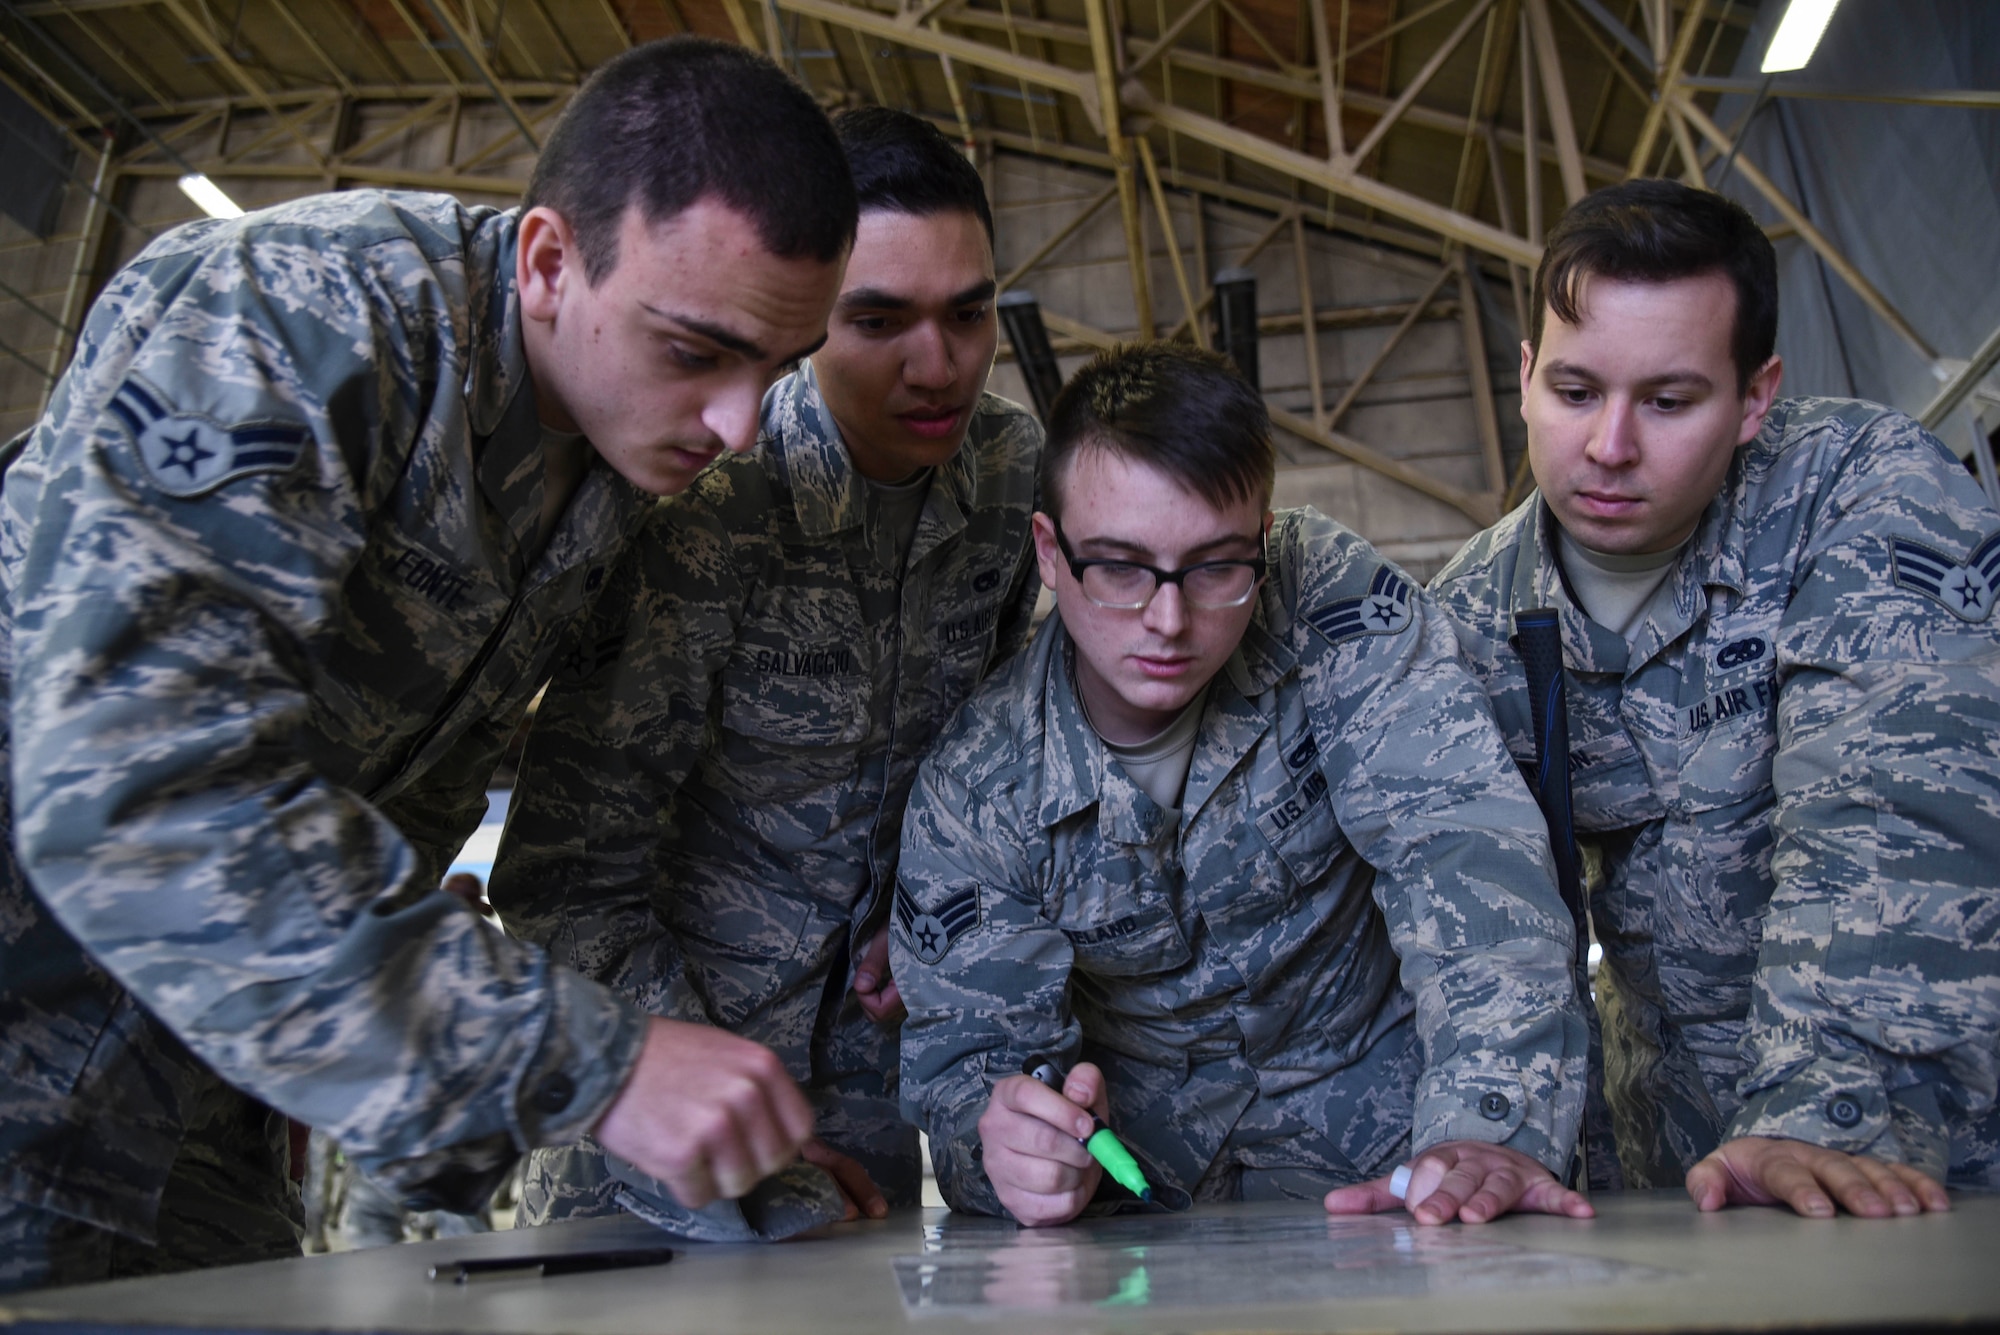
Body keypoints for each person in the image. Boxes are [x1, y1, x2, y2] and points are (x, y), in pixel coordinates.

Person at [0, 37, 855, 1292]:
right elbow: (133, 785)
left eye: (776, 369)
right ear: (550, 260)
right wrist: (593, 1060)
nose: (739, 425)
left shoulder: (614, 457)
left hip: (207, 1074)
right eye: (695, 350)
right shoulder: (302, 316)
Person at [490, 107, 1042, 1237]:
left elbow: (994, 754)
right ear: (803, 314)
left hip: (868, 1109)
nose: (936, 366)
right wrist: (707, 1116)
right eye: (877, 319)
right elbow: (568, 877)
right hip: (657, 1124)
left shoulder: (1010, 480)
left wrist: (926, 897)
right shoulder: (702, 496)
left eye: (968, 313)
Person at [893, 342, 1592, 1228]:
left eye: (1218, 567)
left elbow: (1461, 853)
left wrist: (1493, 1126)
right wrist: (1008, 1152)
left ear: (1264, 539)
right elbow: (971, 1064)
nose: (1169, 618)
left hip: (1406, 1180)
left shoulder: (1326, 598)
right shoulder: (976, 793)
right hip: (1149, 1221)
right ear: (1048, 550)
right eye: (1119, 567)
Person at [1429, 178, 2000, 1219]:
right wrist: (1517, 1147)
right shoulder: (1464, 621)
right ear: (1521, 379)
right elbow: (1483, 920)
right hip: (1677, 1163)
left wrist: (1821, 1105)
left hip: (1914, 1133)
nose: (1607, 446)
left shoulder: (1857, 491)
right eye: (1571, 391)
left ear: (1754, 398)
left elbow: (1889, 809)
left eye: (1666, 401)